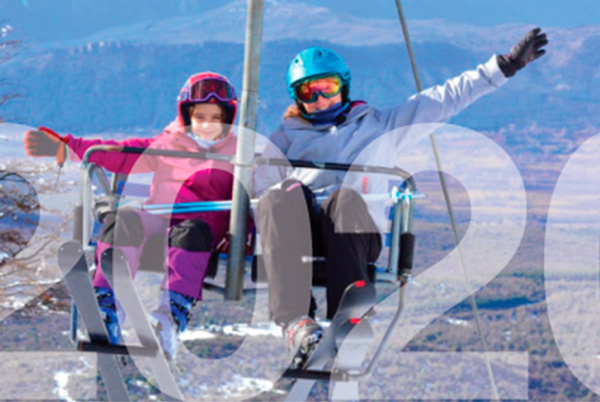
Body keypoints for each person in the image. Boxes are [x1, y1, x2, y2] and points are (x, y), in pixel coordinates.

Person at [254, 28, 548, 368]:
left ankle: (348, 322)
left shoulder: (380, 126)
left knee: (345, 199)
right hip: (299, 238)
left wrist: (504, 67)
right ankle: (296, 324)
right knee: (280, 196)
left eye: (328, 88)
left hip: (354, 231)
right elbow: (260, 195)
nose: (320, 99)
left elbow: (441, 100)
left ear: (344, 86)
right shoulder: (284, 139)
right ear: (297, 98)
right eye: (309, 91)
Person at [24, 72, 239, 360]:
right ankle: (108, 307)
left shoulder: (238, 153)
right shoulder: (169, 144)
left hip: (197, 228)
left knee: (191, 232)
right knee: (124, 219)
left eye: (216, 118)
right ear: (187, 116)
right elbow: (121, 154)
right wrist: (67, 146)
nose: (208, 125)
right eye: (201, 117)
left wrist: (243, 236)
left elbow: (249, 194)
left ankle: (169, 316)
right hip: (159, 217)